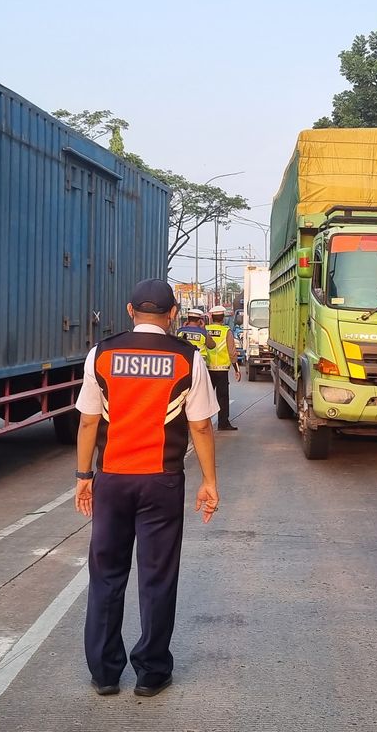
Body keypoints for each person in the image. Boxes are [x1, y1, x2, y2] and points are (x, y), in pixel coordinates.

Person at [74, 279, 219, 698]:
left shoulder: (101, 354)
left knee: (106, 575)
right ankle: (151, 673)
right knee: (157, 577)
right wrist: (209, 481)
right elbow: (202, 426)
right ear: (173, 313)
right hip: (162, 481)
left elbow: (87, 421)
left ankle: (104, 673)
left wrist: (85, 478)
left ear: (129, 310)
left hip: (113, 480)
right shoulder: (187, 357)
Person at [205, 305, 240, 430]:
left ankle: (203, 423)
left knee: (206, 397)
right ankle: (223, 423)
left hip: (207, 369)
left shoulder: (205, 329)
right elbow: (232, 351)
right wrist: (237, 369)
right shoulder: (226, 331)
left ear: (212, 317)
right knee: (223, 397)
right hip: (221, 370)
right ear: (223, 318)